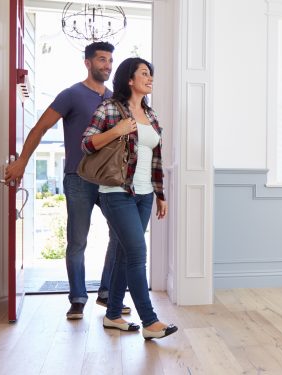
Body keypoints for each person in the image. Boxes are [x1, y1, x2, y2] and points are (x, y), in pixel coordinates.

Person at [4, 41, 132, 319]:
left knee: (121, 235)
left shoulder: (114, 100)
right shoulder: (71, 95)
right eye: (101, 60)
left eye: (110, 60)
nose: (107, 66)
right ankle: (77, 298)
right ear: (88, 62)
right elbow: (40, 127)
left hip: (110, 180)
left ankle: (108, 292)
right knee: (77, 241)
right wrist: (22, 161)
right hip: (78, 177)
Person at [81, 57, 178, 340]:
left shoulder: (152, 114)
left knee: (125, 254)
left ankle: (112, 315)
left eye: (152, 74)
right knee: (137, 254)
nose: (150, 79)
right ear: (129, 79)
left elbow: (156, 159)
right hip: (117, 193)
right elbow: (86, 143)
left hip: (145, 195)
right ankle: (149, 321)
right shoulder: (110, 108)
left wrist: (161, 195)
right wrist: (116, 130)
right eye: (145, 74)